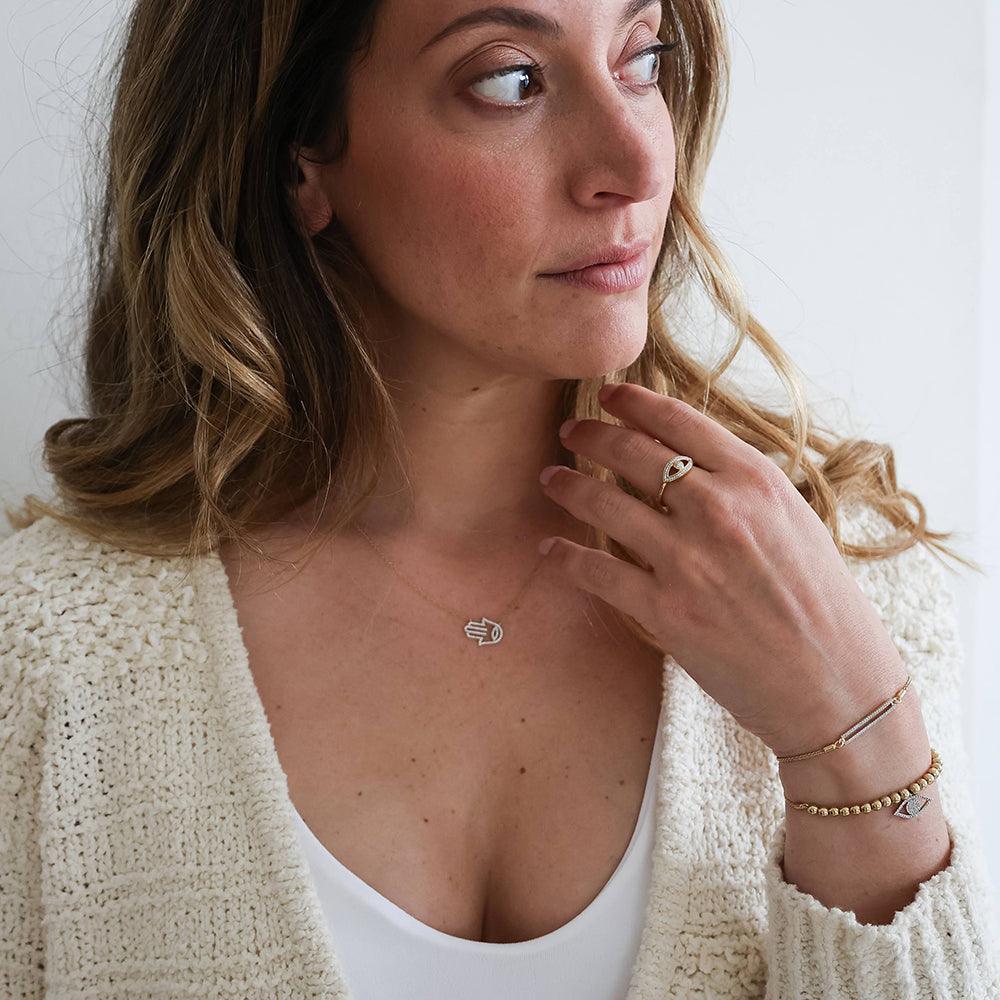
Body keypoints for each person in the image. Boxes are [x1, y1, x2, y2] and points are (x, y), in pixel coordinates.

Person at [1, 0, 998, 997]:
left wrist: (856, 745)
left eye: (642, 58)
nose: (636, 165)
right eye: (512, 81)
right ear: (300, 154)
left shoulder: (843, 584)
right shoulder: (47, 649)